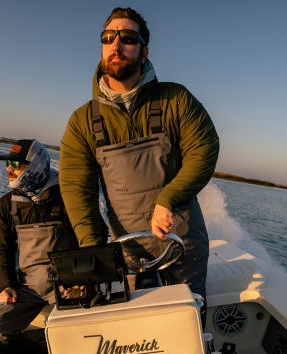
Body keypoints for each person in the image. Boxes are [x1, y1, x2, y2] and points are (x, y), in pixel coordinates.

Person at [59, 7, 219, 300]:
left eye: (127, 38)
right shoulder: (82, 121)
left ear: (144, 52)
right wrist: (94, 252)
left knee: (190, 323)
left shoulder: (176, 99)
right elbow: (77, 190)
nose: (116, 45)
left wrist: (167, 199)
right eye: (108, 38)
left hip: (184, 245)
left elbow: (204, 149)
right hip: (129, 253)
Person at [0, 139, 78, 353]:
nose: (9, 169)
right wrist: (6, 285)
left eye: (15, 165)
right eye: (7, 164)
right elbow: (3, 250)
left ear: (35, 165)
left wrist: (81, 281)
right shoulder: (5, 206)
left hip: (67, 285)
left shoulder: (67, 198)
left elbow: (88, 237)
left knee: (76, 333)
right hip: (28, 288)